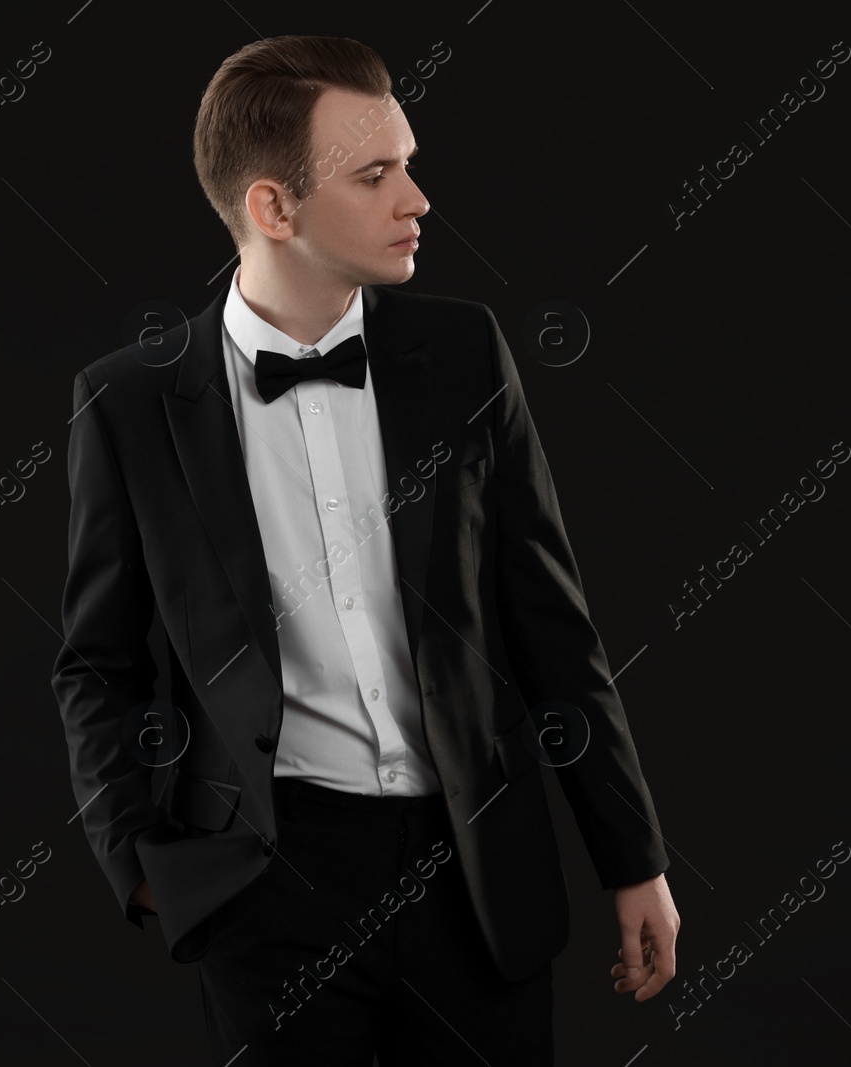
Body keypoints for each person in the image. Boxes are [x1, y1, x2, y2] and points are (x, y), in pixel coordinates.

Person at [51, 33, 680, 1066]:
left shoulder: (465, 350)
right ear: (273, 208)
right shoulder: (126, 404)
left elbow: (552, 624)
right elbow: (96, 662)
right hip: (268, 880)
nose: (418, 198)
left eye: (409, 163)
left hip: (475, 868)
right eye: (376, 174)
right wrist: (138, 862)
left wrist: (632, 856)